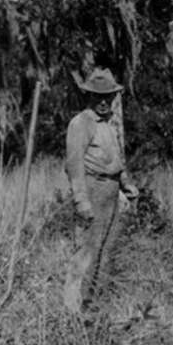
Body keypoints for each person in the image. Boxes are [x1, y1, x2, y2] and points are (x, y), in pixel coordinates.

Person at [63, 67, 139, 313]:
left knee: (106, 251)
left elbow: (117, 161)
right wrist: (81, 201)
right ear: (89, 96)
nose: (104, 101)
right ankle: (72, 310)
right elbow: (74, 166)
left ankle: (95, 306)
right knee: (86, 251)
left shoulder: (110, 124)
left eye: (108, 96)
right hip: (92, 189)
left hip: (111, 192)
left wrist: (127, 186)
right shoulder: (81, 123)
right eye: (98, 96)